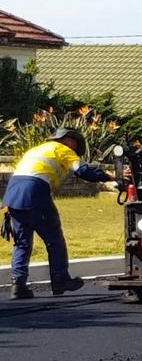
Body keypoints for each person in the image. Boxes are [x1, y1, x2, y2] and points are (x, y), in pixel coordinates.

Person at [3, 128, 115, 300]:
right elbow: (82, 171)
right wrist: (110, 177)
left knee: (22, 243)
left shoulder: (36, 149)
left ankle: (18, 285)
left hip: (13, 195)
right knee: (54, 238)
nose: (75, 150)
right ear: (70, 141)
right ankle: (60, 279)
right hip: (35, 192)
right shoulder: (62, 149)